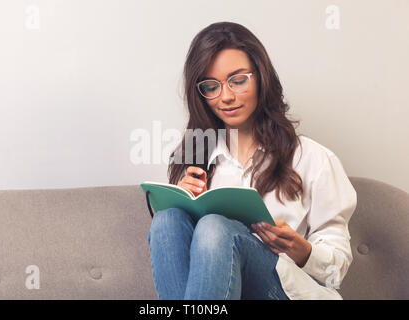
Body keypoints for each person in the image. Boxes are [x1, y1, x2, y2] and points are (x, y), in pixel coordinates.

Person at [147, 21, 357, 300]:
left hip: (286, 292)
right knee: (167, 220)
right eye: (211, 86)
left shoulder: (313, 158)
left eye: (238, 80)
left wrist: (300, 249)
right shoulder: (197, 161)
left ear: (261, 77)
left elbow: (335, 273)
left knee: (214, 227)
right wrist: (185, 203)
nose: (226, 97)